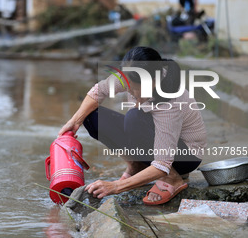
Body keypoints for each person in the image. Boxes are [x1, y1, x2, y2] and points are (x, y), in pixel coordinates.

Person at [58, 46, 206, 205]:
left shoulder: (170, 101)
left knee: (134, 117)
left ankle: (173, 178)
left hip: (185, 156)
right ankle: (137, 165)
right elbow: (98, 91)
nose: (133, 95)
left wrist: (115, 186)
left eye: (136, 90)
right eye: (129, 89)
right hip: (151, 138)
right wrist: (74, 121)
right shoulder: (131, 76)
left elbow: (162, 163)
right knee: (92, 116)